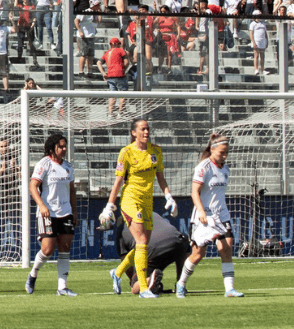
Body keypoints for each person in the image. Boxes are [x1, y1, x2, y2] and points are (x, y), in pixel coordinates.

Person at [101, 118, 177, 298]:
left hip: (147, 201)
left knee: (143, 245)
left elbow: (160, 177)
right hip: (130, 200)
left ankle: (117, 272)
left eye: (148, 129)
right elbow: (118, 181)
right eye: (142, 129)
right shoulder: (126, 152)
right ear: (133, 133)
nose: (146, 132)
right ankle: (143, 287)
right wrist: (109, 206)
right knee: (142, 241)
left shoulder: (156, 151)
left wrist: (169, 196)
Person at [175, 134, 244, 298]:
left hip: (222, 216)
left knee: (226, 249)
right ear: (213, 150)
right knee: (198, 254)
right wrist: (201, 211)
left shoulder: (225, 168)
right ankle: (181, 283)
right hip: (204, 216)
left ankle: (230, 290)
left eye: (227, 152)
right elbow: (194, 192)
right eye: (222, 152)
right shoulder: (203, 167)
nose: (225, 156)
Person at [25, 134, 78, 296]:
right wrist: (41, 205)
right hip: (48, 213)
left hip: (65, 213)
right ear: (52, 148)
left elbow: (72, 190)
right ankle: (33, 274)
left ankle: (62, 287)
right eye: (61, 146)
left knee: (65, 248)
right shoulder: (44, 164)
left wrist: (74, 211)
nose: (64, 149)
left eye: (65, 146)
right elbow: (33, 186)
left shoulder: (68, 167)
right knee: (47, 249)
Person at [115, 211, 190, 296]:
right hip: (180, 241)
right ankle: (180, 283)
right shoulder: (151, 212)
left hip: (152, 249)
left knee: (135, 288)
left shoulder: (121, 229)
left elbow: (125, 262)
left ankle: (149, 280)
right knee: (184, 245)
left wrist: (134, 279)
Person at [96, 37, 130, 116]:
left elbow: (98, 62)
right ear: (117, 44)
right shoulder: (121, 50)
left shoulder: (107, 53)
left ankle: (111, 113)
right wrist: (123, 69)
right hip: (120, 75)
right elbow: (126, 62)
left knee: (112, 95)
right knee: (123, 93)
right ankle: (120, 113)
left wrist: (103, 73)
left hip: (110, 76)